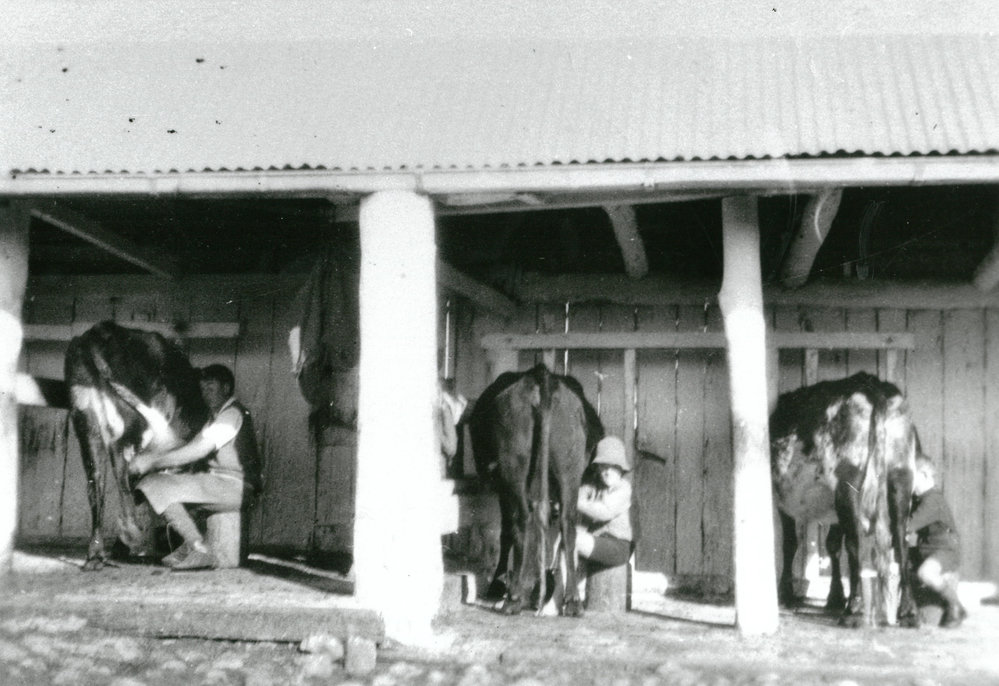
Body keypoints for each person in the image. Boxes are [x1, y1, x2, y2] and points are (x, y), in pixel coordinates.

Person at [129, 364, 263, 571]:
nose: (206, 394)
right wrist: (150, 455)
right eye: (203, 390)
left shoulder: (232, 414)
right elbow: (191, 446)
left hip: (236, 487)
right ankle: (195, 544)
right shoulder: (215, 416)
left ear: (226, 388)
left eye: (210, 388)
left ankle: (197, 546)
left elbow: (199, 449)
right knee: (161, 483)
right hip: (222, 486)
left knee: (154, 484)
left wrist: (154, 461)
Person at [906, 455, 966, 628]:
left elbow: (909, 525)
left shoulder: (932, 500)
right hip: (928, 550)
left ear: (924, 475)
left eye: (911, 477)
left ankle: (955, 605)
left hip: (945, 551)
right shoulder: (920, 499)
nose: (908, 483)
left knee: (926, 573)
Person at [576, 436, 633, 571]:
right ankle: (562, 583)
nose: (607, 472)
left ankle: (567, 583)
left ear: (621, 468)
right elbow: (580, 495)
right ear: (597, 469)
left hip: (618, 547)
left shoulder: (624, 488)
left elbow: (604, 511)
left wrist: (575, 502)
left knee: (572, 539)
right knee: (567, 536)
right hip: (598, 541)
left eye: (612, 467)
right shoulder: (596, 487)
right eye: (603, 466)